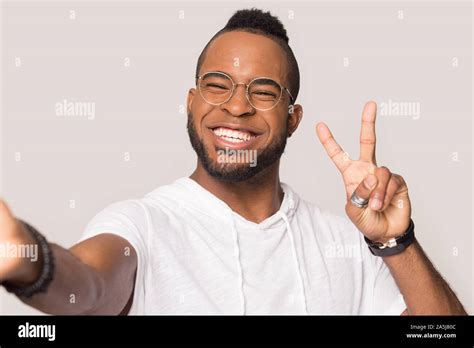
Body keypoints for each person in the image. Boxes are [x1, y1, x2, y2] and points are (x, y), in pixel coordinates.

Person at [0, 8, 466, 315]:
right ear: (191, 102)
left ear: (293, 118)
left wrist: (396, 242)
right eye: (217, 84)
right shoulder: (142, 224)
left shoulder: (347, 243)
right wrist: (28, 259)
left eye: (263, 91)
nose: (237, 107)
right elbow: (90, 285)